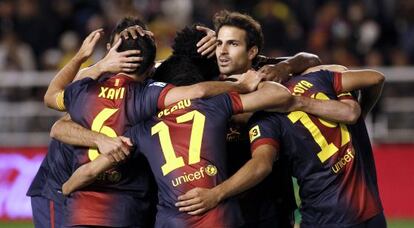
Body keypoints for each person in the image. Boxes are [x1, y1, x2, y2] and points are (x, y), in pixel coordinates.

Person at [59, 26, 359, 228]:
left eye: (231, 44)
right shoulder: (217, 97)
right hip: (228, 209)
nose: (224, 52)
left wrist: (280, 69)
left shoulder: (257, 71)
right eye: (220, 45)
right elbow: (61, 127)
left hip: (261, 203)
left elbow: (309, 59)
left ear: (251, 51)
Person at [34, 16, 257, 227]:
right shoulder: (105, 82)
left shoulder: (112, 86)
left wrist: (214, 44)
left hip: (111, 196)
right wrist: (99, 139)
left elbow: (53, 98)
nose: (125, 58)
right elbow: (59, 127)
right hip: (61, 186)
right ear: (109, 49)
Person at [176, 66, 386, 228]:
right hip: (371, 212)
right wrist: (363, 114)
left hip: (325, 217)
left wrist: (216, 194)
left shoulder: (266, 121)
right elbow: (376, 79)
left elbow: (261, 165)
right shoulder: (316, 79)